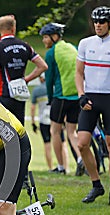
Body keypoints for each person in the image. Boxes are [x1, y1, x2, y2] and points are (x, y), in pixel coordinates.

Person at [75, 6, 110, 206]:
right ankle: (96, 184)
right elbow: (79, 73)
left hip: (109, 99)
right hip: (89, 98)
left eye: (102, 22)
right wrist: (81, 95)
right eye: (95, 22)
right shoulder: (85, 43)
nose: (98, 25)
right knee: (82, 143)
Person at [0, 14, 47, 125]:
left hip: (3, 95)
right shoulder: (25, 46)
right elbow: (43, 66)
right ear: (14, 28)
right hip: (20, 95)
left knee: (3, 133)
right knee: (19, 132)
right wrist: (26, 79)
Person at [40, 23, 84, 176]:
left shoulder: (51, 53)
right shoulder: (73, 47)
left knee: (55, 131)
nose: (44, 41)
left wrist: (50, 98)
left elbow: (49, 78)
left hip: (61, 96)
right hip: (77, 96)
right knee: (72, 132)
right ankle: (80, 158)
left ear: (54, 36)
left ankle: (60, 167)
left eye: (46, 37)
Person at [30, 73, 69, 171]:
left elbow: (32, 108)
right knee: (63, 143)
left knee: (47, 144)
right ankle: (65, 167)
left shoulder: (36, 90)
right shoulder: (56, 88)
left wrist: (33, 122)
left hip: (43, 120)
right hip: (56, 119)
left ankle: (50, 167)